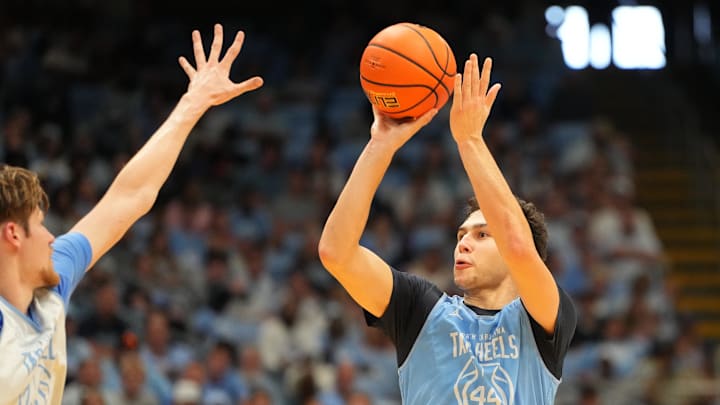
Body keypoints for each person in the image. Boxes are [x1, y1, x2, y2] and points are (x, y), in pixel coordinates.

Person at [0, 23, 263, 403]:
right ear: (13, 236)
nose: (52, 237)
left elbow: (130, 196)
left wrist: (193, 104)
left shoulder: (53, 281)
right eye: (40, 226)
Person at [318, 54, 577, 404]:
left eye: (482, 234)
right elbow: (337, 252)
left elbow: (518, 246)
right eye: (461, 235)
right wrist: (380, 146)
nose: (464, 244)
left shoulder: (543, 318)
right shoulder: (421, 308)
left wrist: (470, 140)